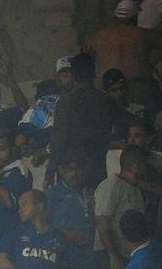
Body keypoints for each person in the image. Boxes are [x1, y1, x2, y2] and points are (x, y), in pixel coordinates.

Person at [51, 53, 126, 187]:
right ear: (95, 73)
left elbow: (59, 139)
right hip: (99, 165)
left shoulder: (65, 102)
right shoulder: (107, 100)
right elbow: (121, 130)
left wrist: (50, 171)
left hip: (74, 168)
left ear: (73, 75)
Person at [92, 145, 147, 269]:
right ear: (135, 165)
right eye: (144, 163)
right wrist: (113, 255)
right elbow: (102, 221)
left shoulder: (136, 190)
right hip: (108, 257)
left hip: (127, 257)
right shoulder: (112, 184)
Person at [0, 129, 31, 244]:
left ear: (12, 149)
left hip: (9, 239)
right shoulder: (0, 171)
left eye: (2, 149)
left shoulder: (19, 171)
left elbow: (12, 203)